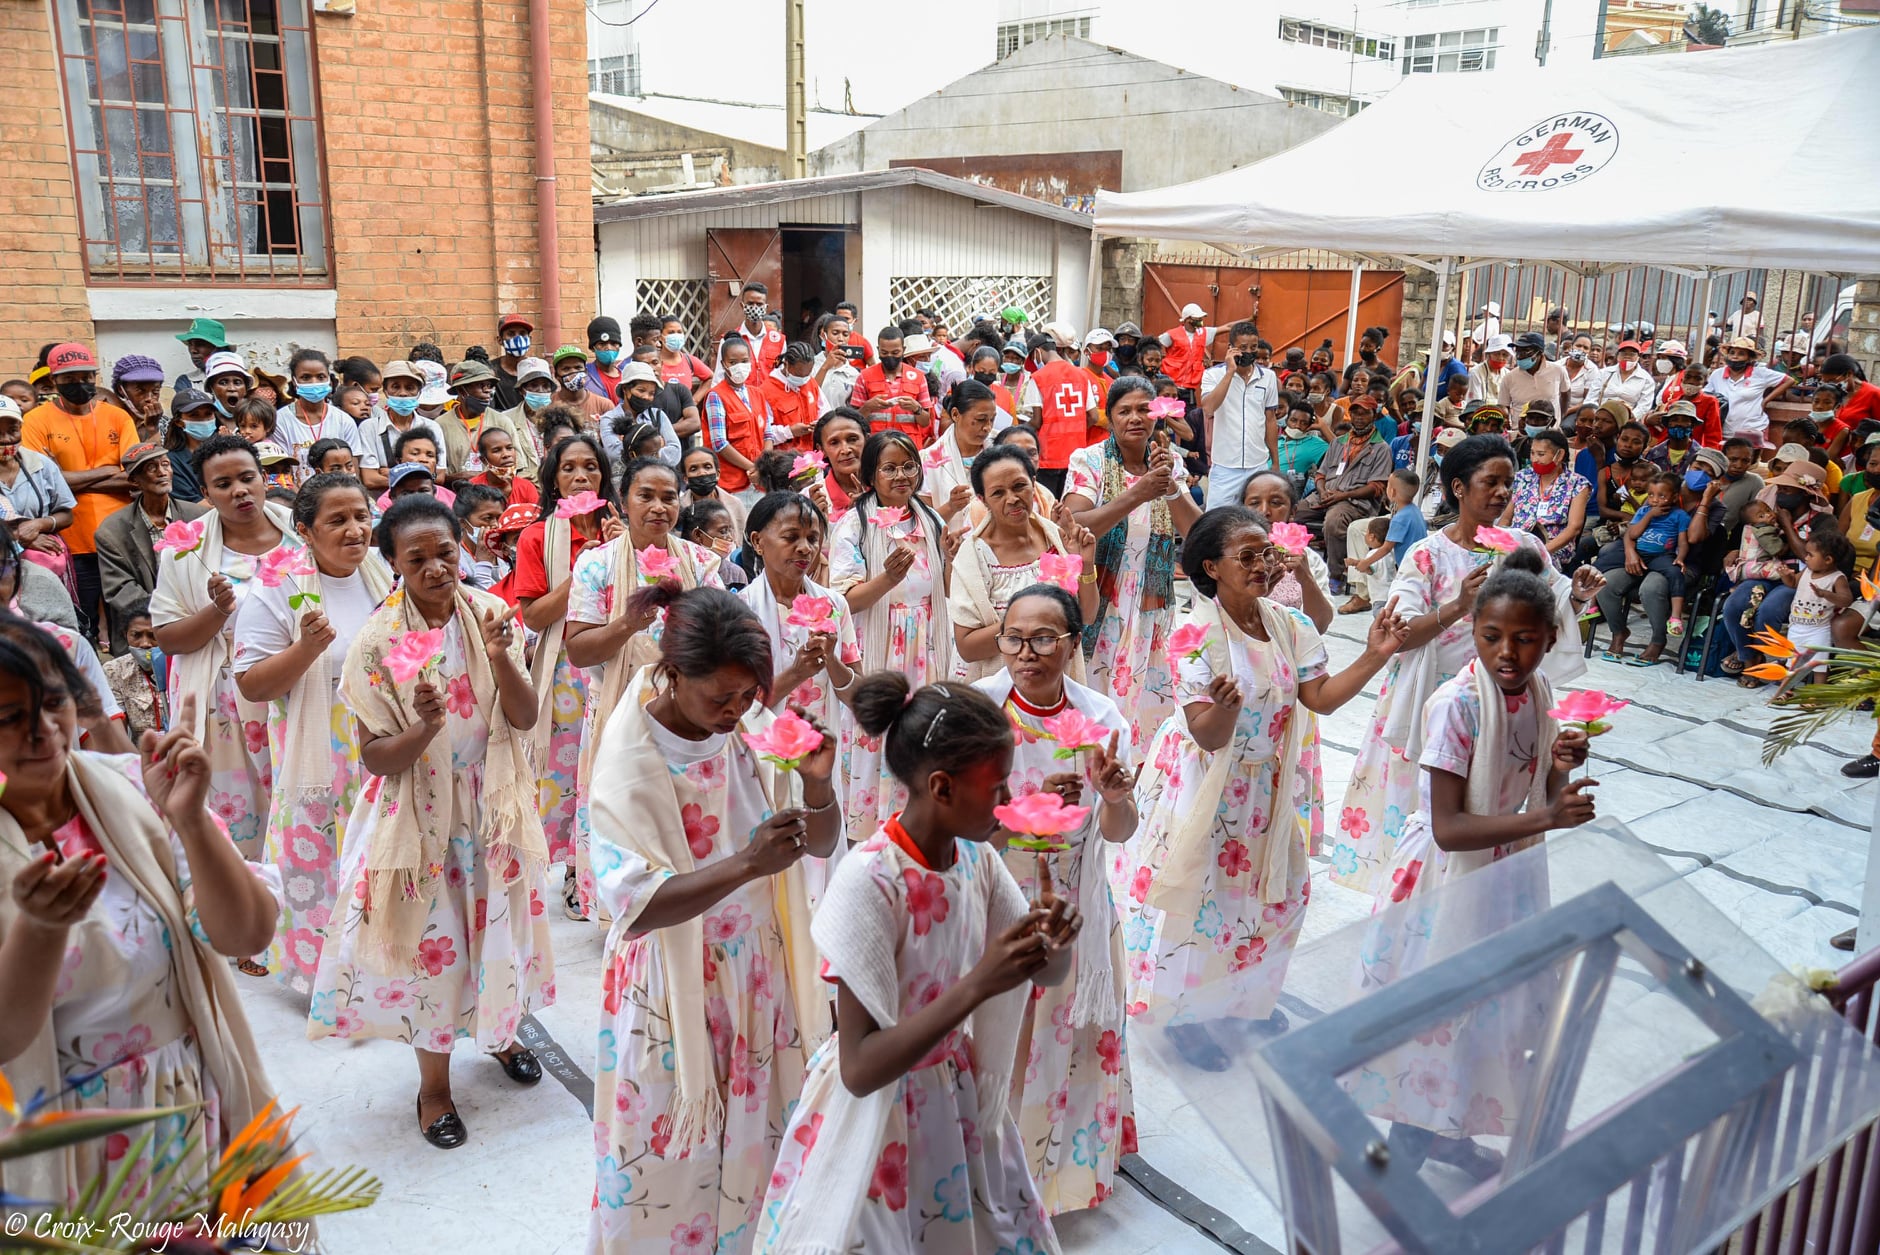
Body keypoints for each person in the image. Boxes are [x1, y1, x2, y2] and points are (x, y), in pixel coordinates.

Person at [756, 676, 1073, 1253]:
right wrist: (978, 985)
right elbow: (859, 1068)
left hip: (953, 1106)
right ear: (941, 787)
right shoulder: (871, 881)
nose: (1008, 802)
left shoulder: (975, 859)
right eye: (997, 788)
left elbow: (1044, 974)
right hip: (881, 1123)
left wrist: (1056, 943)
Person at [583, 586, 836, 1253]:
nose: (734, 711)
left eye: (748, 695)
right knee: (669, 1160)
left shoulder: (750, 730)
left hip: (756, 970)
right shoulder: (629, 758)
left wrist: (816, 785)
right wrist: (748, 864)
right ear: (672, 674)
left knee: (760, 1147)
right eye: (718, 697)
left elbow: (817, 841)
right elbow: (636, 905)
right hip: (670, 981)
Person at [0, 614, 282, 1207]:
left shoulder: (136, 786)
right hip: (64, 1137)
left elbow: (246, 933)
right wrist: (39, 928)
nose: (45, 732)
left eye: (55, 702)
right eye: (9, 718)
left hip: (189, 1104)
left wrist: (190, 821)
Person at [1122, 507, 1409, 1069]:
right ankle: (1188, 1017)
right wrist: (1225, 710)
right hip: (1205, 785)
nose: (1263, 564)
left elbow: (1318, 697)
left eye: (1265, 553)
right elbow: (1206, 736)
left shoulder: (1288, 623)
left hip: (1265, 788)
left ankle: (1240, 1001)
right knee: (1205, 903)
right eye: (1246, 556)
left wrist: (1376, 655)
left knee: (1276, 896)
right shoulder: (1192, 635)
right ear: (1212, 567)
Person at [309, 494, 550, 1148]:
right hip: (420, 814)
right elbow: (377, 757)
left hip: (491, 802)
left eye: (446, 552)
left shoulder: (493, 613)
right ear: (393, 564)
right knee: (434, 955)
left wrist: (502, 658)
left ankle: (500, 1034)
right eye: (417, 559)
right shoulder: (378, 642)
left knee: (498, 934)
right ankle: (435, 1088)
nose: (437, 568)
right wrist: (425, 726)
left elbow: (524, 718)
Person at [1355, 548, 1597, 1180]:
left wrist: (1562, 765)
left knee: (1489, 1018)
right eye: (1492, 637)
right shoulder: (1457, 706)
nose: (1507, 654)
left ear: (1550, 640)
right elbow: (1450, 828)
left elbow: (1540, 790)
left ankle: (1450, 1137)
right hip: (1446, 883)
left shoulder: (1540, 694)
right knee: (1437, 1027)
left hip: (1503, 877)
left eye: (1525, 640)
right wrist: (1547, 818)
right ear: (1474, 633)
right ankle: (1397, 1181)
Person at [1327, 435, 1595, 895]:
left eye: (1508, 484)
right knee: (1432, 811)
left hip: (1504, 698)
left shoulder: (1524, 545)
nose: (1501, 493)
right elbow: (1400, 630)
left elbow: (1551, 601)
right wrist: (1457, 605)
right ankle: (1418, 897)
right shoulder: (1429, 554)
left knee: (1497, 794)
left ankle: (1480, 889)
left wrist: (1580, 593)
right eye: (1489, 482)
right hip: (1436, 702)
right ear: (1457, 487)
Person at [971, 584, 1138, 1212]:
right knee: (1000, 1037)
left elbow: (1119, 832)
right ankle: (990, 1168)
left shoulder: (1102, 718)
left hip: (1077, 899)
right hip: (997, 896)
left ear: (1072, 643)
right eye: (1014, 637)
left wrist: (1115, 798)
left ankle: (1056, 1170)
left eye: (1044, 639)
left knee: (1067, 1037)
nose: (1026, 652)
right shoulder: (980, 712)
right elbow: (964, 826)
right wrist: (1031, 813)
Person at [231, 472, 390, 988]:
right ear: (304, 529)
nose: (355, 531)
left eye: (362, 516)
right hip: (318, 745)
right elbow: (251, 685)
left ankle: (375, 962)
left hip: (381, 741)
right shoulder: (276, 588)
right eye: (337, 520)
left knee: (376, 852)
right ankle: (320, 977)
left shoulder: (380, 571)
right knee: (316, 858)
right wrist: (304, 651)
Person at [563, 458, 725, 917]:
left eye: (668, 497)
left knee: (684, 810)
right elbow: (579, 650)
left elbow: (720, 632)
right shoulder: (596, 565)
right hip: (620, 712)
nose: (658, 507)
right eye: (645, 496)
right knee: (627, 811)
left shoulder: (697, 561)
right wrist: (629, 624)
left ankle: (686, 900)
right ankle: (628, 910)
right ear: (623, 502)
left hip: (687, 713)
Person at [149, 434, 298, 865]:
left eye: (247, 478)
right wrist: (216, 611)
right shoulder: (188, 547)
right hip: (224, 704)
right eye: (223, 483)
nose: (239, 491)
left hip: (292, 686)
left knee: (298, 808)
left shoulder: (300, 531)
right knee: (238, 814)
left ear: (264, 479)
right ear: (205, 493)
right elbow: (168, 638)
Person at [1064, 376, 1202, 751]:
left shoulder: (1167, 460)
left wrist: (1169, 484)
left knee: (1143, 707)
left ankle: (1134, 785)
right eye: (1124, 411)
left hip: (1150, 603)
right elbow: (1074, 524)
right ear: (1110, 417)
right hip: (1102, 598)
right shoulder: (1090, 459)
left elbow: (1196, 531)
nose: (1135, 418)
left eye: (1144, 409)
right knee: (1097, 697)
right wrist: (1138, 493)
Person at [831, 433, 956, 843]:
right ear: (870, 476)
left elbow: (946, 590)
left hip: (928, 648)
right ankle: (870, 838)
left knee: (922, 739)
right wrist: (888, 579)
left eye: (908, 466)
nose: (901, 475)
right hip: (878, 649)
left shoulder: (931, 520)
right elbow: (846, 600)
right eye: (889, 468)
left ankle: (918, 829)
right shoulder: (853, 525)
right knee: (877, 739)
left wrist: (951, 560)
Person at [515, 434, 621, 871]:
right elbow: (535, 618)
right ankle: (576, 873)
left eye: (591, 467)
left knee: (614, 766)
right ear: (554, 481)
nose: (581, 476)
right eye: (569, 468)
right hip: (564, 673)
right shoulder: (537, 537)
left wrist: (622, 549)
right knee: (569, 773)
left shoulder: (624, 526)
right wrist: (583, 571)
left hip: (620, 660)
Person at [738, 493, 860, 788]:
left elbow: (857, 696)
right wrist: (797, 674)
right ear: (757, 542)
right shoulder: (741, 611)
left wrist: (831, 661)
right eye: (791, 537)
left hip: (820, 749)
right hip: (763, 754)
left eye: (813, 538)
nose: (805, 548)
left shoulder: (834, 605)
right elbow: (738, 705)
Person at [22, 342, 140, 644]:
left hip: (122, 533)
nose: (81, 384)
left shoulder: (117, 416)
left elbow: (133, 476)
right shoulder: (36, 421)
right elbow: (45, 481)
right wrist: (108, 469)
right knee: (82, 619)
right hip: (72, 539)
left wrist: (66, 477)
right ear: (52, 382)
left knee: (129, 619)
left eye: (87, 377)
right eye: (70, 379)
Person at [949, 444, 1096, 685]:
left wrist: (1086, 565)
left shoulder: (1056, 539)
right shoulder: (974, 558)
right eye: (998, 493)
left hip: (1056, 684)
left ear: (1034, 484)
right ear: (982, 499)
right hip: (1002, 690)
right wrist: (1033, 622)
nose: (1013, 499)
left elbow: (1087, 615)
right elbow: (967, 647)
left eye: (1019, 486)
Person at [1718, 462, 1832, 682]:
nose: (1780, 493)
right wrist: (1736, 551)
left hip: (1797, 580)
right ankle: (1750, 660)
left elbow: (1807, 555)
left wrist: (1787, 524)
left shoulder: (1824, 521)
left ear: (1806, 493)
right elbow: (1754, 541)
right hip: (1766, 573)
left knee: (1768, 611)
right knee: (1734, 605)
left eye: (1787, 489)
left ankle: (1771, 662)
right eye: (1780, 488)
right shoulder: (1766, 513)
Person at [95, 440, 207, 656]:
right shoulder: (111, 531)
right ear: (135, 481)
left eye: (165, 464)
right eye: (151, 468)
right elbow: (120, 589)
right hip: (145, 630)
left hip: (196, 620)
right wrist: (167, 614)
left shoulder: (198, 517)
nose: (162, 472)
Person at [1293, 395, 1393, 592]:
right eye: (1355, 412)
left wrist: (1342, 496)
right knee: (1294, 512)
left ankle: (1336, 574)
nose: (1359, 417)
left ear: (1374, 416)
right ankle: (1294, 566)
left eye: (1365, 412)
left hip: (1354, 501)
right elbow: (1320, 473)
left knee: (1334, 521)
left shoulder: (1381, 448)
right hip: (1325, 495)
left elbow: (1376, 487)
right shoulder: (1339, 442)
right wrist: (1322, 491)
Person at [1594, 473, 1692, 665]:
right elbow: (1633, 534)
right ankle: (1618, 632)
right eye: (1651, 495)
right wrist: (1649, 515)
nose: (1655, 500)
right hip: (1637, 555)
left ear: (1673, 497)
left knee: (1652, 588)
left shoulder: (1679, 516)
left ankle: (1659, 639)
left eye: (1661, 496)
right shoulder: (1644, 511)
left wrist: (1680, 558)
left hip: (1662, 558)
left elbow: (1683, 542)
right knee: (1606, 583)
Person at [1196, 322, 1280, 509]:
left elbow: (1270, 420)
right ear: (1231, 349)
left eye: (1253, 347)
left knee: (1257, 520)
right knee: (1217, 521)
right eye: (1243, 348)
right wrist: (1230, 372)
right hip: (1225, 467)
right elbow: (1208, 408)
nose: (1249, 352)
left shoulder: (1268, 377)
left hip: (1257, 465)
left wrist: (1274, 462)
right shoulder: (1213, 375)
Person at [0, 396, 78, 589]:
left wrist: (39, 524)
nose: (6, 440)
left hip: (42, 567)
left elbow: (66, 514)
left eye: (12, 430)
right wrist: (18, 537)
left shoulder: (40, 465)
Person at [1499, 428, 1591, 574]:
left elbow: (1574, 528)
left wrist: (1540, 551)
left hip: (1552, 548)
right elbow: (1505, 518)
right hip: (1517, 543)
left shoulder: (1577, 484)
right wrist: (1501, 542)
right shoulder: (1523, 477)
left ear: (1559, 455)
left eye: (1541, 454)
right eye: (1532, 453)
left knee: (1528, 571)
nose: (1535, 459)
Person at [1346, 469, 1428, 615]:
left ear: (1393, 492)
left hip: (1408, 568)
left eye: (1388, 485)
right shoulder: (1415, 511)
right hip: (1420, 565)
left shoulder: (1400, 518)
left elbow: (1386, 547)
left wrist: (1366, 562)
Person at [356, 359, 445, 492]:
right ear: (385, 391)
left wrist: (392, 473)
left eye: (410, 388)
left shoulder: (432, 428)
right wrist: (423, 476)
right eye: (395, 387)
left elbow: (440, 476)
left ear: (419, 392)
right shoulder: (369, 428)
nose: (403, 393)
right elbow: (370, 479)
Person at [274, 349, 366, 473]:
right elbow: (281, 474)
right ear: (294, 381)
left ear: (329, 379)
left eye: (320, 377)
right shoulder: (280, 421)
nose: (314, 382)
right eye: (305, 377)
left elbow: (352, 471)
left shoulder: (343, 420)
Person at [922, 378, 997, 530]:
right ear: (956, 415)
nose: (987, 427)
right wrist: (951, 507)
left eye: (992, 420)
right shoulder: (928, 460)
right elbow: (922, 524)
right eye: (981, 420)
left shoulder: (1000, 451)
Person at [703, 336, 772, 501]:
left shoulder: (758, 394)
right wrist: (752, 467)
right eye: (733, 362)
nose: (739, 366)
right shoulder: (716, 396)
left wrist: (764, 466)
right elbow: (719, 443)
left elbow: (767, 434)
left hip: (761, 482)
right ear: (724, 364)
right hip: (732, 484)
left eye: (744, 361)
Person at [850, 325, 936, 449]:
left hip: (908, 446)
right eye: (884, 353)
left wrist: (916, 408)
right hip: (876, 446)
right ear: (878, 350)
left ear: (903, 349)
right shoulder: (864, 376)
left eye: (895, 352)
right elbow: (854, 421)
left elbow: (925, 422)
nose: (889, 356)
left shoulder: (918, 377)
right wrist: (868, 407)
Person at [1707, 337, 1792, 444]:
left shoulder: (1760, 373)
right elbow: (1707, 394)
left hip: (1753, 429)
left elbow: (1789, 380)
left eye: (1741, 353)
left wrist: (1766, 400)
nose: (1735, 356)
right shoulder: (1717, 374)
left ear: (1749, 358)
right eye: (1732, 352)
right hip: (1724, 430)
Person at [101, 602, 166, 739]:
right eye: (136, 635)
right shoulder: (115, 670)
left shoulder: (178, 666)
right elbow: (118, 729)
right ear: (125, 635)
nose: (145, 644)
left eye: (152, 635)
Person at [494, 356, 554, 479]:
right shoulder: (505, 421)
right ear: (522, 390)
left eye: (545, 386)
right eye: (533, 385)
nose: (540, 390)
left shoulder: (561, 420)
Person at [760, 341, 823, 455]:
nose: (803, 379)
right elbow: (762, 432)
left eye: (807, 374)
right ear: (786, 364)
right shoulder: (766, 391)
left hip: (812, 456)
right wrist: (789, 432)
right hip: (783, 460)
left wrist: (820, 424)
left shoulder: (811, 382)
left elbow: (824, 411)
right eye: (799, 375)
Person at [679, 445, 748, 540]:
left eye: (707, 467)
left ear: (717, 474)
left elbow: (743, 541)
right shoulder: (679, 507)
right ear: (685, 478)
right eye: (693, 469)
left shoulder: (735, 504)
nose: (702, 473)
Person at [1819, 355, 1880, 459]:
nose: (1830, 385)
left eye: (1832, 381)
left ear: (1849, 374)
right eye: (1826, 382)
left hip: (1860, 457)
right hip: (1832, 454)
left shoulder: (1873, 394)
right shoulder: (1834, 395)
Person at [1498, 331, 1570, 418]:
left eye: (1525, 352)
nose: (1519, 356)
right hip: (1519, 429)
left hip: (1550, 429)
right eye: (1518, 351)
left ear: (1539, 352)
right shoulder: (1509, 378)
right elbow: (1503, 405)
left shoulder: (1558, 371)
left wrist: (1560, 418)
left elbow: (1566, 395)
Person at [812, 407, 869, 516]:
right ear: (821, 450)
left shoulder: (886, 489)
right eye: (834, 443)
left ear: (867, 439)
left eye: (852, 439)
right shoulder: (814, 498)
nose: (845, 450)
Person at [1589, 340, 1656, 421]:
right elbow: (1591, 397)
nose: (1627, 357)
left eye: (1632, 354)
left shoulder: (1646, 379)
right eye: (1624, 353)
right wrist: (1596, 414)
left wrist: (1629, 418)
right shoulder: (1604, 373)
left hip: (1628, 419)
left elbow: (1644, 406)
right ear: (1618, 356)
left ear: (1638, 357)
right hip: (1600, 416)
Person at [1158, 303, 1214, 398]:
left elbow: (1227, 327)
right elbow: (1152, 347)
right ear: (1188, 319)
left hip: (1189, 390)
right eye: (1197, 319)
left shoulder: (1203, 333)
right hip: (1170, 387)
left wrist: (1248, 319)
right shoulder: (1172, 334)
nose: (1200, 321)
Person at [550, 344, 615, 426]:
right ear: (556, 376)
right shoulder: (549, 405)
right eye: (566, 369)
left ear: (586, 372)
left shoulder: (604, 405)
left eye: (578, 367)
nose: (573, 372)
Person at [109, 353, 167, 442]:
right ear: (121, 389)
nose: (149, 398)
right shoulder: (110, 424)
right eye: (140, 391)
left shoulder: (166, 425)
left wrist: (153, 430)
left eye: (155, 391)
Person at [491, 312, 533, 411]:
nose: (517, 338)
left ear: (529, 339)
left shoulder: (537, 369)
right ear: (500, 340)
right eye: (511, 333)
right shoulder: (490, 370)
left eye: (522, 333)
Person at [585, 316, 627, 404]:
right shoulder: (585, 376)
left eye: (613, 343)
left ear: (619, 346)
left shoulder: (627, 375)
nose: (608, 348)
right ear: (593, 348)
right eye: (602, 344)